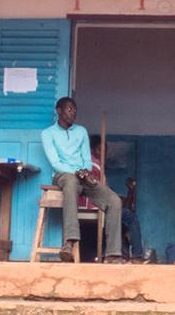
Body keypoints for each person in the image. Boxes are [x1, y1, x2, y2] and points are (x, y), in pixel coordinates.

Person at [40, 97, 124, 263]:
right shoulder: (47, 134)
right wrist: (76, 172)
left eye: (75, 110)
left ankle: (113, 253)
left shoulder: (81, 131)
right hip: (63, 175)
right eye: (69, 109)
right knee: (70, 183)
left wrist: (86, 171)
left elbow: (86, 159)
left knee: (114, 201)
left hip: (83, 176)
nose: (73, 113)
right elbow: (56, 163)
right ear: (59, 111)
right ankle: (69, 242)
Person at [89, 137, 150, 263]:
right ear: (93, 150)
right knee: (131, 217)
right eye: (101, 150)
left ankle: (129, 254)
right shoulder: (93, 167)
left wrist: (130, 191)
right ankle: (137, 255)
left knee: (125, 211)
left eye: (105, 150)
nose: (104, 154)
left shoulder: (96, 166)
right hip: (96, 206)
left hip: (101, 204)